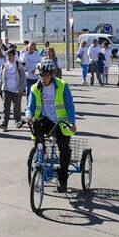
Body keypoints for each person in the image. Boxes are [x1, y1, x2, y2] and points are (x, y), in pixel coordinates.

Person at [25, 58, 77, 193]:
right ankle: (40, 155)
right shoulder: (35, 88)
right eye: (40, 75)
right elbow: (30, 107)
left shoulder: (62, 86)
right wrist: (29, 116)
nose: (43, 78)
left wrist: (72, 122)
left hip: (61, 123)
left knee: (64, 150)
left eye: (45, 75)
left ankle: (62, 178)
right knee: (36, 125)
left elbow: (70, 106)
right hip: (46, 121)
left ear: (51, 74)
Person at [0, 48, 25, 132]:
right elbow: (0, 78)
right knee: (6, 107)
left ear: (14, 56)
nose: (9, 57)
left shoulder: (18, 64)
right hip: (6, 89)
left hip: (17, 90)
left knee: (17, 107)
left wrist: (21, 88)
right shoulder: (5, 65)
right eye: (7, 56)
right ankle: (4, 124)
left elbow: (23, 77)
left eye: (10, 56)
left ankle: (18, 121)